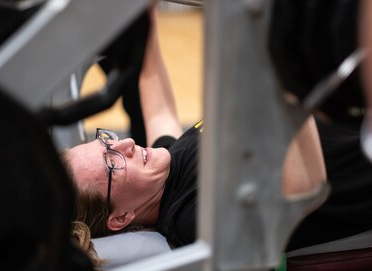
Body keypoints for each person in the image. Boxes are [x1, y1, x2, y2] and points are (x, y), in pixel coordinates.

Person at [62, 3, 327, 255]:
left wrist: (146, 17)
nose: (126, 144)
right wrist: (286, 69)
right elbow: (305, 189)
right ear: (121, 217)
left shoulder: (165, 171)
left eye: (107, 142)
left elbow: (159, 111)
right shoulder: (192, 218)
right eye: (112, 161)